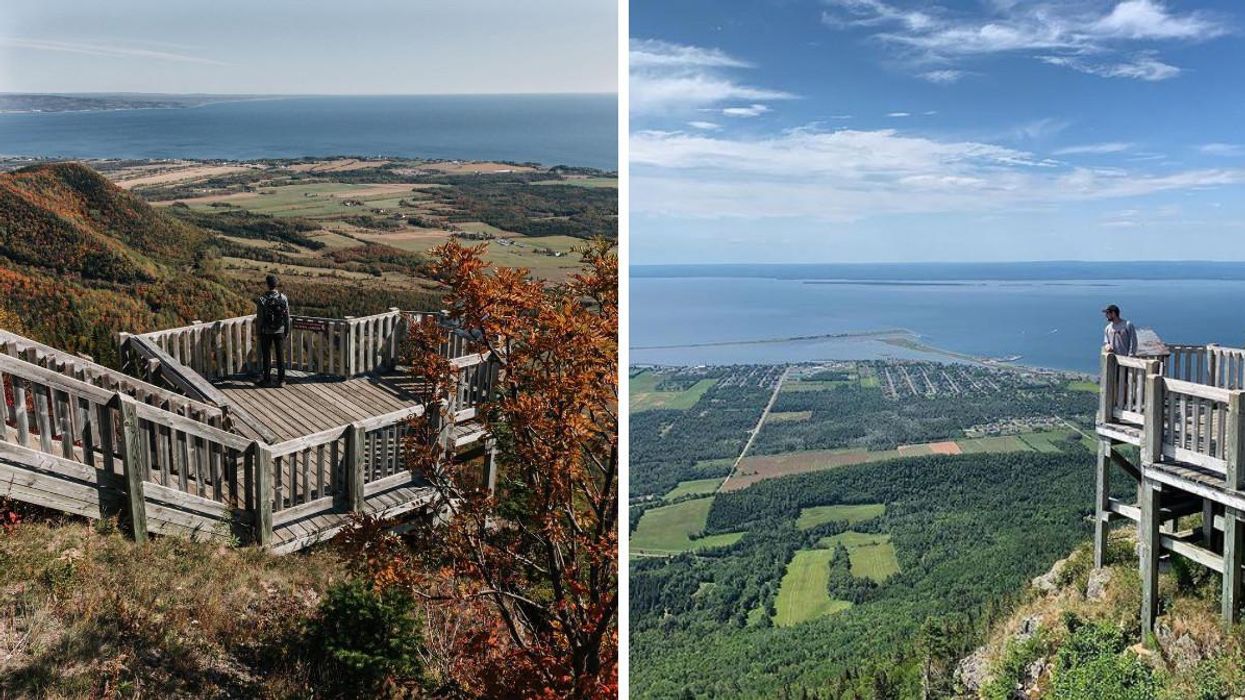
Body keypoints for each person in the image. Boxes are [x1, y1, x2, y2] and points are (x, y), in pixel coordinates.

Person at [255, 274, 291, 387]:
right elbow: (287, 317)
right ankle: (281, 380)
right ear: (276, 284)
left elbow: (260, 319)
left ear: (267, 284)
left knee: (266, 356)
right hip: (280, 330)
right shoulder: (283, 298)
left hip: (266, 332)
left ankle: (266, 380)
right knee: (280, 356)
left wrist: (258, 333)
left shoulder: (262, 299)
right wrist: (287, 331)